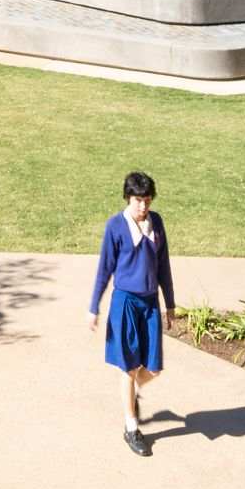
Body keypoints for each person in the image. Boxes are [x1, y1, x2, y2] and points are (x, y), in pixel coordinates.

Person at [89, 170, 176, 457]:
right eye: (138, 200)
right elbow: (105, 269)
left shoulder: (157, 222)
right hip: (125, 303)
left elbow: (163, 265)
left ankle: (133, 391)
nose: (143, 206)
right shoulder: (115, 226)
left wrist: (170, 303)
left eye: (147, 200)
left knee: (153, 368)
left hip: (150, 304)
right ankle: (131, 428)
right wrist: (94, 307)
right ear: (128, 198)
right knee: (127, 368)